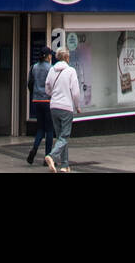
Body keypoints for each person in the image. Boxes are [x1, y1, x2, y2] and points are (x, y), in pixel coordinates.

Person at [44, 46, 81, 174]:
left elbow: (47, 88)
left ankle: (65, 165)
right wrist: (77, 106)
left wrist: (54, 95)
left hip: (54, 107)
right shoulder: (71, 71)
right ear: (65, 57)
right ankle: (52, 156)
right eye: (69, 56)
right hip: (66, 107)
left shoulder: (51, 70)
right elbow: (75, 92)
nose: (69, 58)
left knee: (60, 137)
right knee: (64, 136)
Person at [26, 47, 54, 165]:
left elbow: (29, 83)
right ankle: (47, 158)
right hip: (47, 101)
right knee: (49, 130)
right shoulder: (50, 69)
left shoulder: (34, 67)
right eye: (50, 55)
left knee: (40, 129)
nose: (51, 56)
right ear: (47, 56)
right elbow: (53, 85)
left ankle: (35, 148)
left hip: (36, 100)